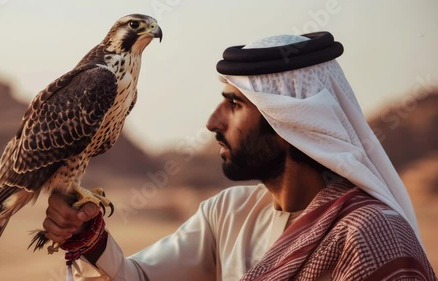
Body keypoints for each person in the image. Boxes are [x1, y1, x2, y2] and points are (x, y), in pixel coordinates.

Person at [42, 32, 437, 280]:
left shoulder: (370, 235)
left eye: (234, 105)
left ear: (289, 121)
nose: (213, 122)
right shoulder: (228, 214)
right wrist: (88, 239)